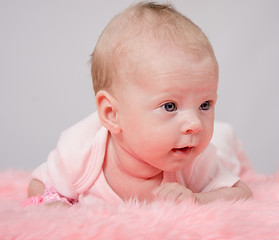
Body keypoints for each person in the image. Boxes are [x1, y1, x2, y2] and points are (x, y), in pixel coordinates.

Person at [26, 2, 253, 206]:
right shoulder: (80, 153)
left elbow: (242, 194)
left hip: (222, 148)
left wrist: (198, 200)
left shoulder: (194, 159)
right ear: (112, 114)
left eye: (205, 104)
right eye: (170, 106)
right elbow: (39, 183)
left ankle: (226, 134)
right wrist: (54, 206)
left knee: (223, 145)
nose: (195, 124)